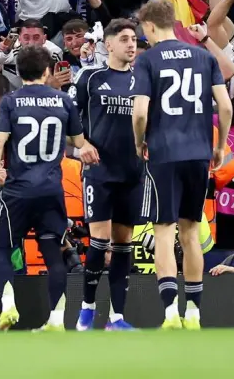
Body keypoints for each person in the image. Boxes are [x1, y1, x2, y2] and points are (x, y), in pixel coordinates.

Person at [0, 45, 99, 331]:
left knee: (2, 248)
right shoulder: (63, 101)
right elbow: (79, 142)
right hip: (51, 189)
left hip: (17, 190)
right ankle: (56, 320)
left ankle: (8, 306)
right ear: (47, 72)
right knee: (54, 251)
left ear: (19, 72)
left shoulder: (9, 102)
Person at [132, 0, 232, 330]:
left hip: (163, 153)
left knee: (163, 232)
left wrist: (139, 141)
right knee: (190, 232)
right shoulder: (204, 56)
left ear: (148, 26)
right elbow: (226, 107)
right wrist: (219, 146)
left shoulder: (147, 60)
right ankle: (195, 312)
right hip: (198, 153)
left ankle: (170, 311)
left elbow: (141, 112)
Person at [74, 18, 142, 331]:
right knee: (99, 241)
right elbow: (70, 120)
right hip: (99, 170)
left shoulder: (143, 79)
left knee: (124, 244)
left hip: (132, 171)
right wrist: (82, 145)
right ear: (109, 44)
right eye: (125, 39)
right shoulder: (90, 78)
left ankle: (117, 317)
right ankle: (86, 311)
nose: (132, 45)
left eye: (135, 40)